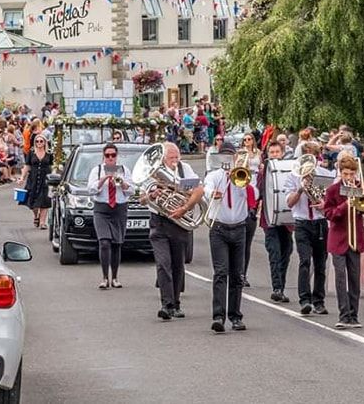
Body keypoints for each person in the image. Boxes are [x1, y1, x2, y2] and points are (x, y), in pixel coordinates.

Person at [145, 142, 202, 321]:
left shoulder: (186, 169)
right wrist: (151, 196)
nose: (175, 161)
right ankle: (166, 304)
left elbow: (199, 190)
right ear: (163, 158)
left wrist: (184, 208)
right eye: (171, 158)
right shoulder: (153, 172)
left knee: (178, 265)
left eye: (177, 157)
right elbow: (141, 198)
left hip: (178, 223)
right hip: (159, 223)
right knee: (163, 263)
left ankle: (176, 303)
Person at [203, 139, 249, 333]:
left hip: (239, 228)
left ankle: (235, 316)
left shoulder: (243, 176)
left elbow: (251, 194)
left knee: (237, 275)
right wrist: (213, 192)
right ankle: (218, 316)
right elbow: (206, 189)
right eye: (225, 156)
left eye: (232, 155)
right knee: (221, 273)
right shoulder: (214, 176)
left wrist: (238, 178)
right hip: (219, 229)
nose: (229, 159)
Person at [322, 151, 364, 329]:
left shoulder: (362, 187)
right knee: (341, 278)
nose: (349, 177)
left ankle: (354, 315)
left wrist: (360, 203)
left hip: (356, 238)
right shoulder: (333, 190)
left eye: (352, 173)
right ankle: (343, 314)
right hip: (338, 239)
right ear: (340, 173)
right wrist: (345, 205)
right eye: (345, 174)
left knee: (355, 278)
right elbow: (329, 214)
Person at [284, 143, 329, 316]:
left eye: (312, 156)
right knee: (304, 261)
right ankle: (304, 299)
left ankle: (319, 301)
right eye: (306, 156)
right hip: (302, 222)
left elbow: (330, 199)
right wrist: (301, 189)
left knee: (320, 263)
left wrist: (323, 203)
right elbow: (289, 203)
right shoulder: (293, 176)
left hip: (320, 222)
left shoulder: (325, 174)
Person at [87, 144, 134, 290]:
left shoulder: (124, 170)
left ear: (117, 156)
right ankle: (104, 278)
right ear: (103, 156)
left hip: (119, 208)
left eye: (113, 155)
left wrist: (121, 183)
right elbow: (91, 189)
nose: (110, 158)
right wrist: (104, 179)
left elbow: (132, 190)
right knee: (104, 242)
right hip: (102, 209)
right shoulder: (97, 170)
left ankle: (115, 277)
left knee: (116, 244)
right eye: (107, 155)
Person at [259, 140, 293, 302]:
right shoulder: (263, 171)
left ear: (282, 153)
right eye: (271, 152)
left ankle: (282, 287)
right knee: (274, 253)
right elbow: (258, 192)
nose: (274, 155)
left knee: (286, 253)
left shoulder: (289, 169)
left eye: (277, 152)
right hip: (270, 219)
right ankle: (277, 287)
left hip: (286, 221)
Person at [239, 132, 262, 288]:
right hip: (242, 185)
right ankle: (238, 273)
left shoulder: (258, 153)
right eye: (245, 140)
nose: (247, 141)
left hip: (254, 185)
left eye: (249, 139)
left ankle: (243, 273)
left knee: (246, 242)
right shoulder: (240, 154)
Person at [20, 135, 53, 229]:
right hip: (33, 179)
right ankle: (36, 216)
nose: (39, 143)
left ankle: (42, 222)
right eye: (37, 141)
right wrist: (22, 177)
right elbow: (27, 166)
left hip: (45, 180)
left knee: (44, 201)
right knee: (33, 202)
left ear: (45, 142)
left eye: (41, 141)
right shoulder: (31, 152)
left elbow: (53, 166)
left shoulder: (49, 153)